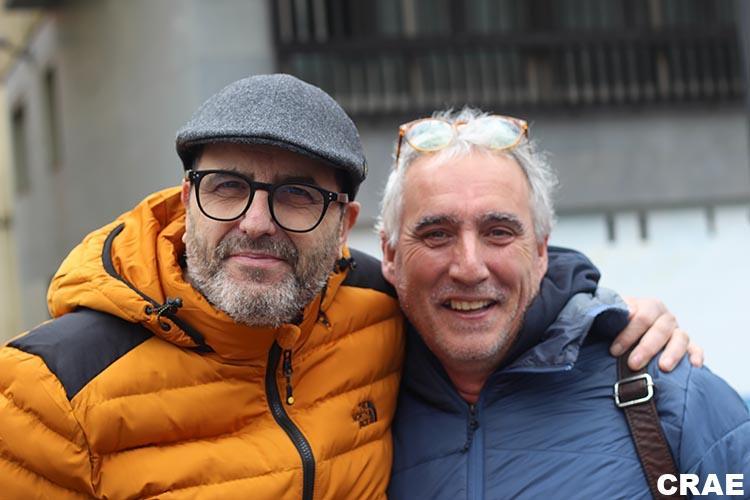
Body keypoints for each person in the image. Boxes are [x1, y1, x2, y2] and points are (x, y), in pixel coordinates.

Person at [0, 75, 696, 499]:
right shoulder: (45, 394)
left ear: (345, 226)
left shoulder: (376, 308)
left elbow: (480, 279)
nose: (256, 222)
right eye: (228, 187)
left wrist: (606, 313)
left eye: (297, 196)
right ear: (188, 199)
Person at [380, 108, 750, 499]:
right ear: (389, 255)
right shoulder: (357, 396)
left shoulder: (670, 395)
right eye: (437, 234)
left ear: (541, 252)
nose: (470, 268)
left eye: (499, 232)